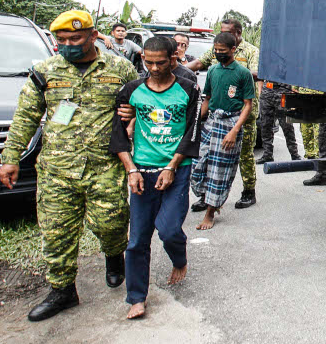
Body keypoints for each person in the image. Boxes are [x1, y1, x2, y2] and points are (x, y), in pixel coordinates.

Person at [0, 10, 137, 322]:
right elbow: (25, 117)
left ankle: (115, 257)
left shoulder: (120, 68)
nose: (68, 44)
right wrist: (10, 159)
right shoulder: (45, 71)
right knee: (56, 234)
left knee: (111, 225)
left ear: (92, 35)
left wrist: (132, 117)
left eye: (75, 38)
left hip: (105, 166)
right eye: (61, 40)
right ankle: (63, 290)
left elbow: (144, 102)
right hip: (57, 170)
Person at [110, 37, 201, 319]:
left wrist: (172, 166)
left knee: (169, 228)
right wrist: (131, 169)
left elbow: (192, 132)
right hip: (142, 171)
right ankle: (136, 297)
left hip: (177, 167)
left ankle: (180, 259)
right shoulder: (131, 90)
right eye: (148, 62)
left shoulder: (188, 88)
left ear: (173, 58)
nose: (153, 68)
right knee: (137, 239)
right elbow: (117, 135)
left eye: (160, 62)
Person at [186, 19, 259, 209]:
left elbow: (258, 72)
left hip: (242, 113)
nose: (218, 52)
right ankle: (206, 195)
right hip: (216, 114)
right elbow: (199, 63)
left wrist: (233, 73)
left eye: (227, 32)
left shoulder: (250, 51)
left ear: (237, 34)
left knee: (244, 155)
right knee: (207, 157)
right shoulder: (217, 52)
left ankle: (248, 191)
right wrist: (177, 69)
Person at [256, 81, 301, 164]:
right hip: (268, 89)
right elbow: (261, 77)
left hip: (283, 89)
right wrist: (260, 91)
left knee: (287, 125)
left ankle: (295, 155)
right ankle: (267, 155)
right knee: (265, 124)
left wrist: (294, 88)